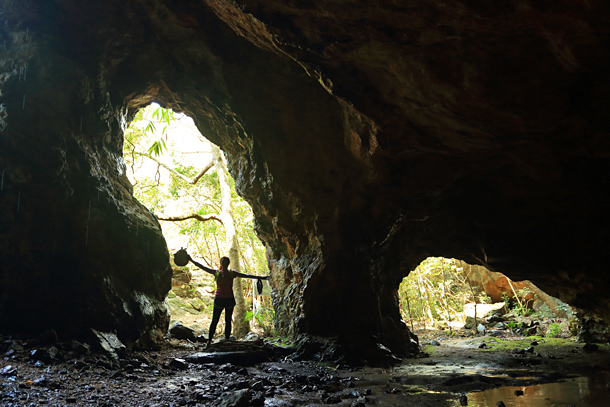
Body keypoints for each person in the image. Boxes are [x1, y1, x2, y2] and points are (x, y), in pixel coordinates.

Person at [185, 253, 269, 347]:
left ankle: (209, 341)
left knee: (215, 320)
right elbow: (246, 275)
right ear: (229, 263)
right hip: (229, 299)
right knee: (228, 320)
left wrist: (191, 260)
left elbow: (202, 267)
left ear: (221, 263)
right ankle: (227, 340)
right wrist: (260, 277)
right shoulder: (232, 273)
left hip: (219, 299)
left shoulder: (216, 273)